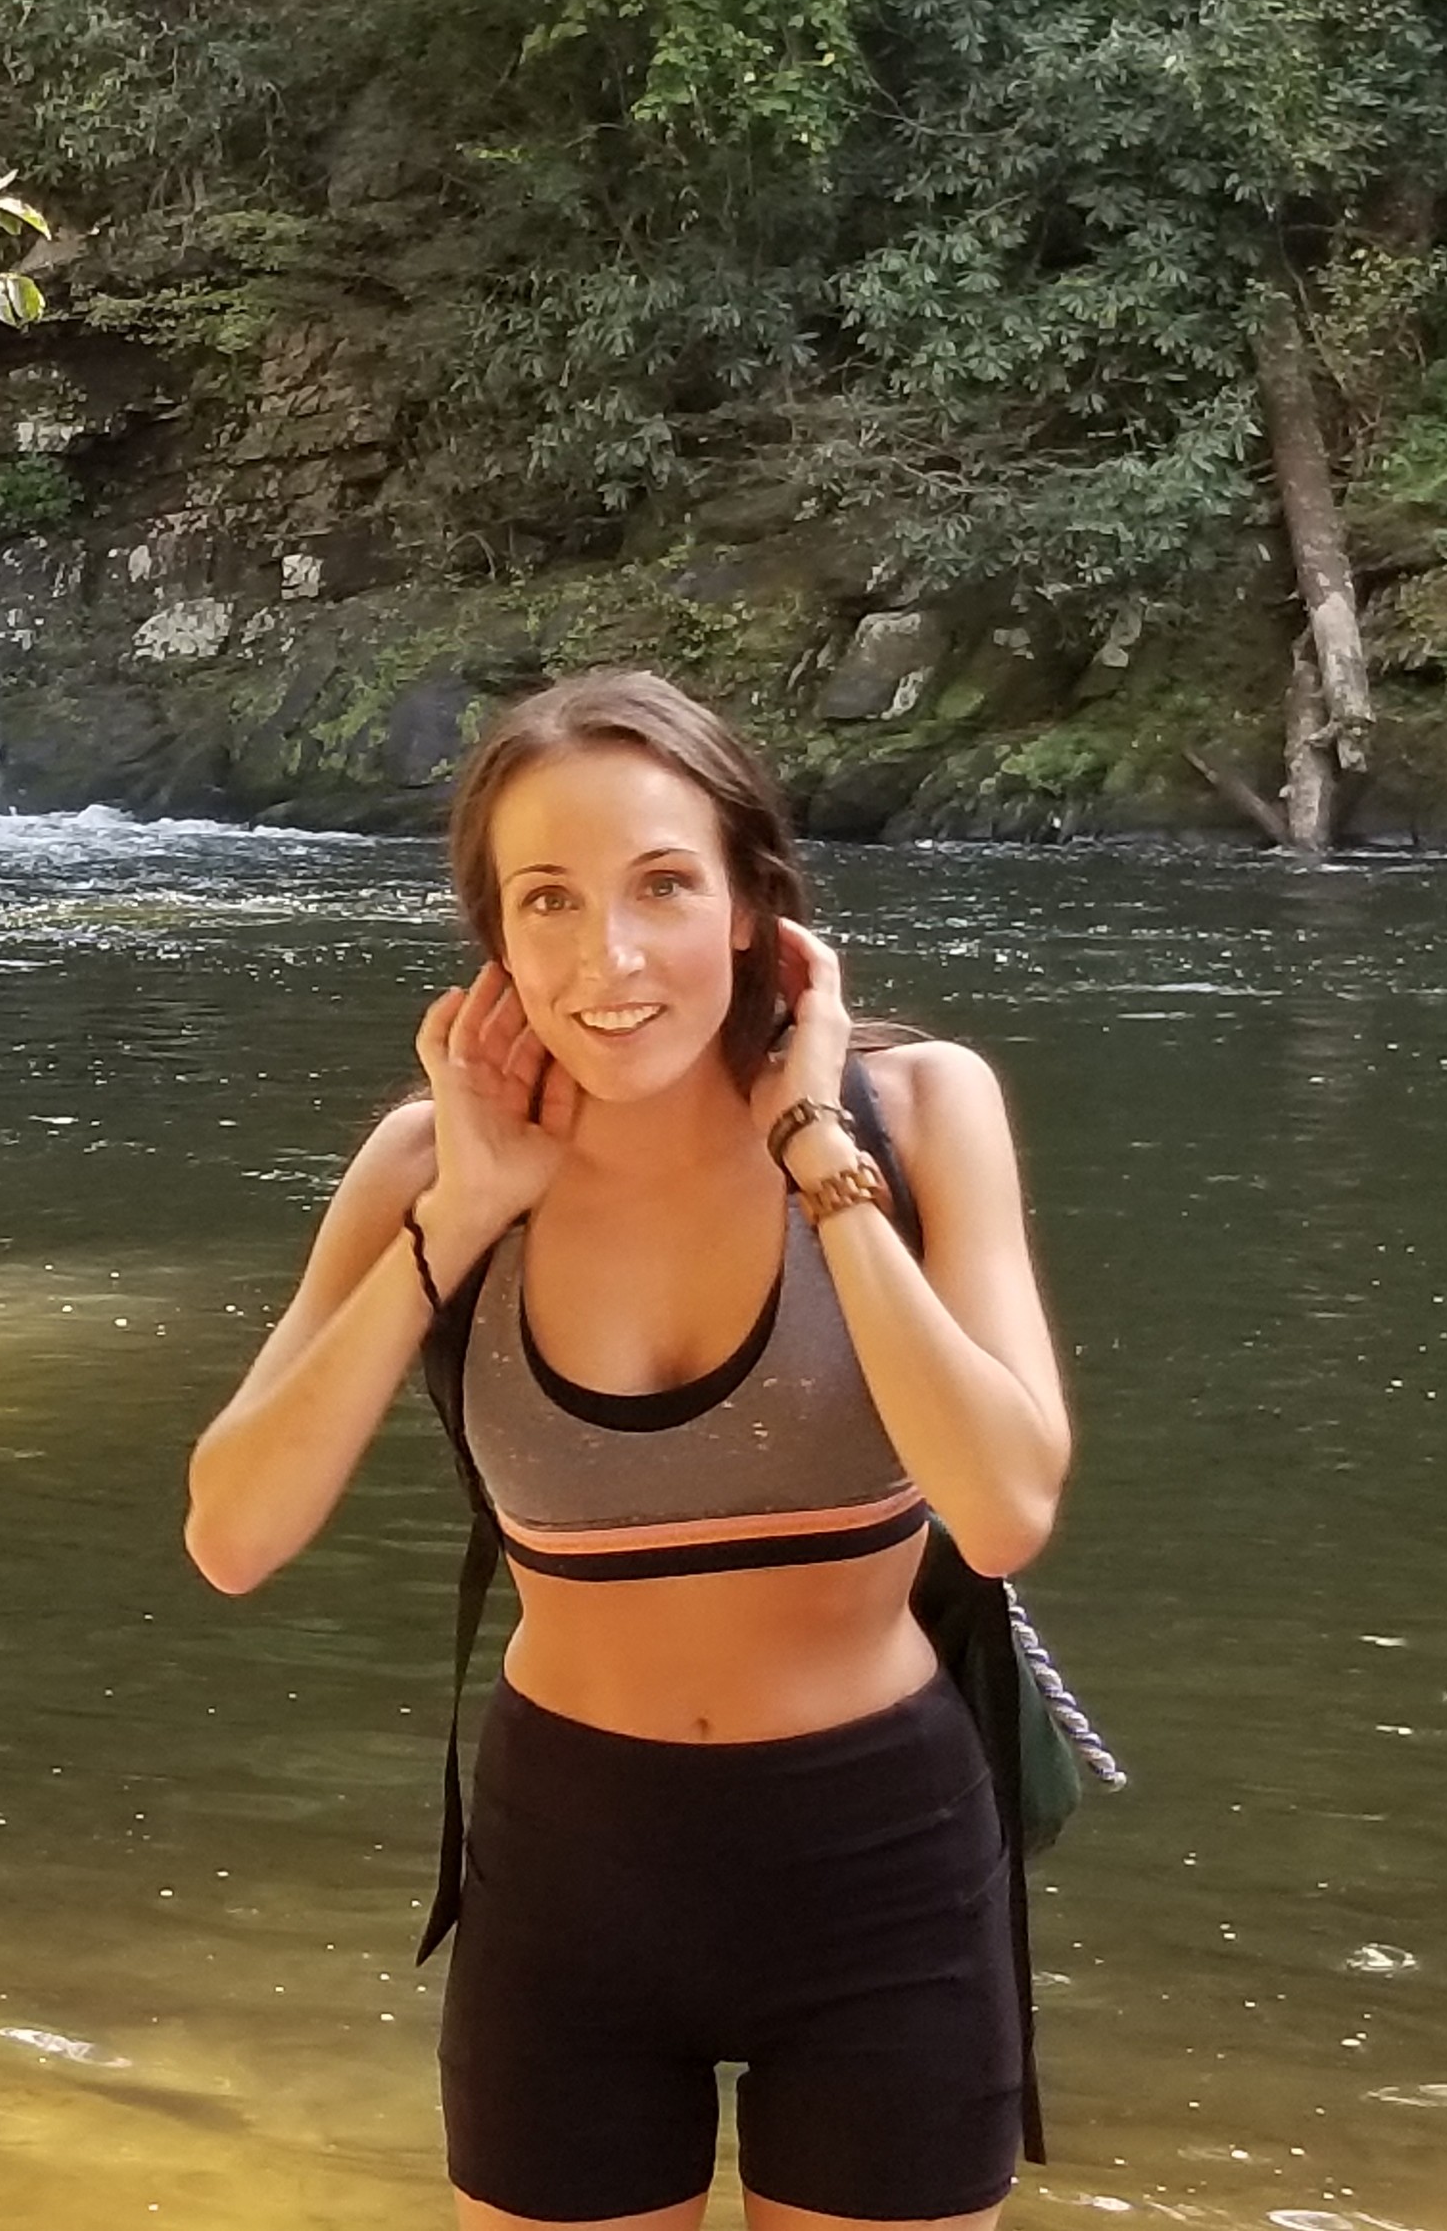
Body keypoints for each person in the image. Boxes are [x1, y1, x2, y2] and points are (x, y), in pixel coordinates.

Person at [186, 668, 1071, 2231]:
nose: (611, 957)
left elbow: (1001, 1510)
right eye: (549, 901)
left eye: (664, 883)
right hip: (572, 1880)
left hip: (884, 1873)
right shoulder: (428, 1167)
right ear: (497, 945)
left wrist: (819, 1157)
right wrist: (461, 1212)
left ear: (752, 906)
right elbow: (233, 1533)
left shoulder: (922, 1113)